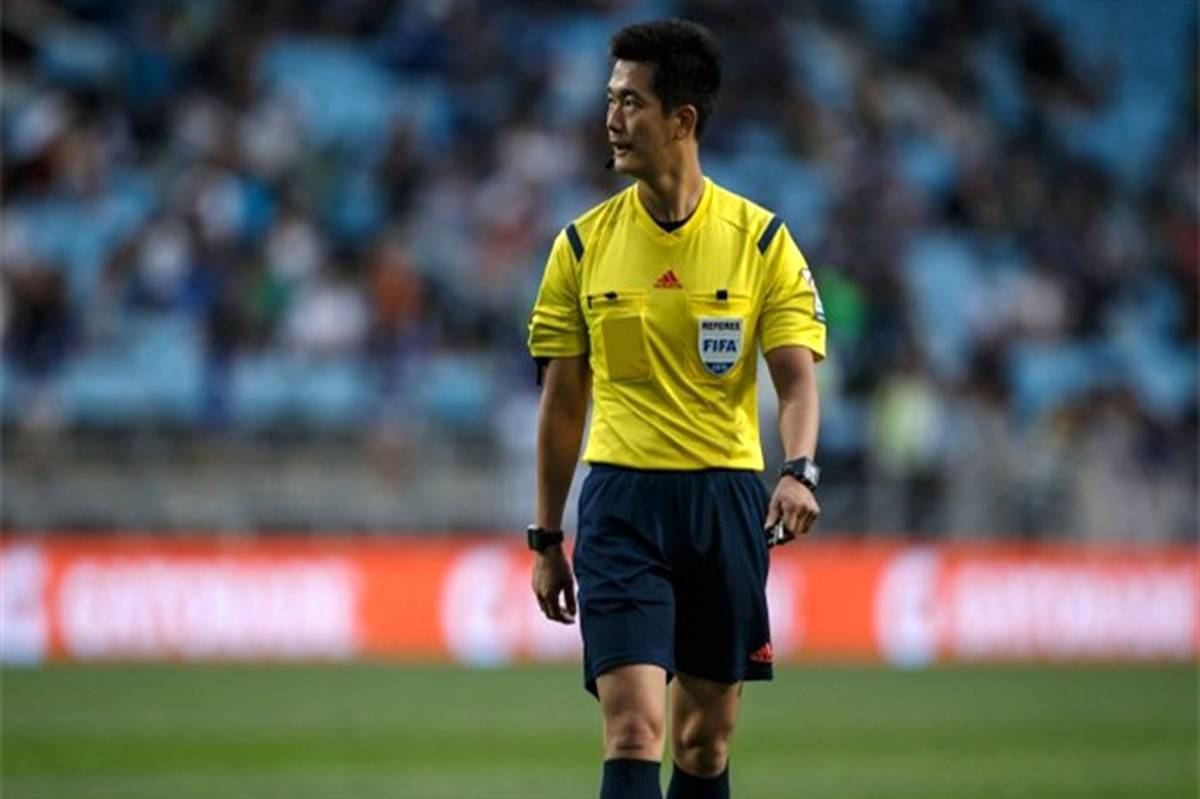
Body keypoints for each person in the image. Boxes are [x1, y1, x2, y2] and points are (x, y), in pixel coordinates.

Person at [526, 19, 826, 799]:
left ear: (682, 119)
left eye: (631, 102)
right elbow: (562, 406)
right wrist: (546, 536)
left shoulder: (760, 242)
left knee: (703, 741)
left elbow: (797, 382)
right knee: (633, 729)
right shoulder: (580, 248)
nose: (611, 118)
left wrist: (798, 469)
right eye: (610, 100)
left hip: (724, 503)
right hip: (622, 503)